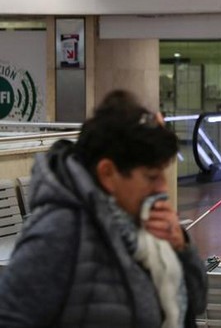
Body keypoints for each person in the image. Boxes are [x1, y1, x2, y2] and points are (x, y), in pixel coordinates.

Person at [0, 90, 207, 328]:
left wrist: (182, 247)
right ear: (107, 173)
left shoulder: (143, 219)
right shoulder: (59, 232)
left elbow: (196, 303)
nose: (162, 188)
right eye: (151, 177)